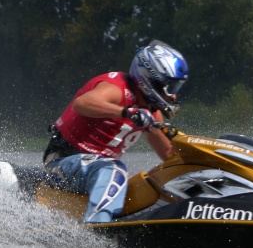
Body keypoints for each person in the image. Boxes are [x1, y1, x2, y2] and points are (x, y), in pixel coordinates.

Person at [43, 40, 189, 223]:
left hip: (94, 172)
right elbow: (82, 103)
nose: (174, 96)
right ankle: (97, 228)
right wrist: (126, 112)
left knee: (152, 181)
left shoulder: (152, 112)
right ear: (150, 80)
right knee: (115, 169)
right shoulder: (116, 88)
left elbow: (168, 154)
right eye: (170, 88)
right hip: (62, 164)